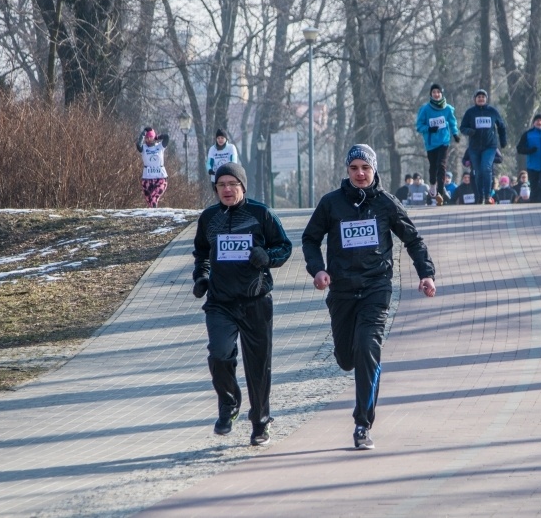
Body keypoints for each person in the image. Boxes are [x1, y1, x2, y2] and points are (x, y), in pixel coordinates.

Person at [301, 144, 436, 450]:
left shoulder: (387, 204)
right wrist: (318, 270)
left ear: (374, 171)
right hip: (342, 291)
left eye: (365, 168)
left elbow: (413, 239)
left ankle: (363, 423)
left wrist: (426, 274)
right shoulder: (331, 204)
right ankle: (354, 362)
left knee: (367, 348)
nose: (360, 174)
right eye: (354, 169)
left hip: (376, 288)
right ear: (347, 171)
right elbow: (310, 239)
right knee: (347, 358)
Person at [191, 162, 293, 446]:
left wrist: (267, 256)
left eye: (232, 185)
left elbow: (284, 246)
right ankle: (229, 403)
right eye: (221, 185)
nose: (226, 189)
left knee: (258, 367)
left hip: (256, 301)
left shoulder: (261, 214)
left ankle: (260, 422)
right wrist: (201, 276)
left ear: (242, 187)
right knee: (219, 352)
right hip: (221, 302)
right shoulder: (209, 218)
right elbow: (202, 253)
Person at [459, 89, 507, 204]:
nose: (481, 99)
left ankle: (487, 195)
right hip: (474, 147)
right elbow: (462, 128)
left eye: (483, 97)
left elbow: (501, 126)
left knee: (486, 168)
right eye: (478, 97)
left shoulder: (492, 111)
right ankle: (480, 195)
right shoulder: (470, 112)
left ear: (486, 99)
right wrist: (469, 131)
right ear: (475, 99)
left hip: (490, 146)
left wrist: (503, 140)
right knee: (478, 172)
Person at [416, 83, 460, 205]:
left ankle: (440, 192)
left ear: (441, 93)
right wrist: (429, 129)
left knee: (441, 165)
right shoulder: (425, 109)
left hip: (444, 141)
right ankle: (433, 186)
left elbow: (452, 123)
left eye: (438, 92)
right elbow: (419, 126)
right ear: (431, 94)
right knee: (433, 167)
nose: (436, 94)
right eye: (434, 92)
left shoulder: (448, 109)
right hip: (431, 143)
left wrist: (455, 134)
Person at [136, 127, 169, 208]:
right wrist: (143, 134)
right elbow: (138, 145)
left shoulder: (160, 146)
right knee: (149, 200)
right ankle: (152, 216)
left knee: (154, 197)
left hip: (161, 178)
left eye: (150, 137)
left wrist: (157, 137)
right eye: (146, 138)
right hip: (147, 179)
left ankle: (154, 215)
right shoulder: (144, 148)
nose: (148, 139)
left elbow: (167, 137)